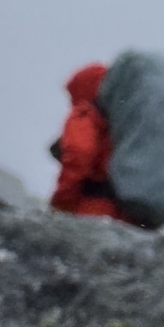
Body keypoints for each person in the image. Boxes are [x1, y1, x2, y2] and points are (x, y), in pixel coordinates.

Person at [49, 63, 129, 221]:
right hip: (128, 212)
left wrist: (61, 200)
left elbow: (78, 153)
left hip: (94, 208)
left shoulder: (84, 113)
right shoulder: (123, 119)